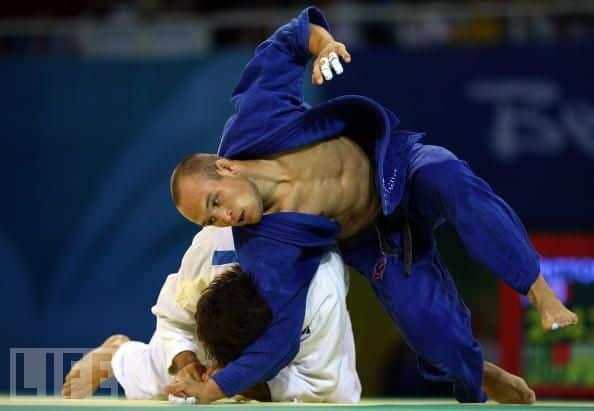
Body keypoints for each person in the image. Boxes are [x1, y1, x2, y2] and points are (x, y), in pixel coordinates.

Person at [169, 7, 576, 404]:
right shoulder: (265, 249)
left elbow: (290, 38)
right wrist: (218, 388)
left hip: (397, 168)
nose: (224, 218)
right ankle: (476, 372)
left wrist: (324, 44)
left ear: (226, 167)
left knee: (447, 176)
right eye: (210, 218)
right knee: (436, 337)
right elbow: (280, 338)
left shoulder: (256, 118)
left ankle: (538, 289)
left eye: (215, 202)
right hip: (379, 239)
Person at [61, 227, 361, 403]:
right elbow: (171, 317)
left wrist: (230, 383)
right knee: (169, 386)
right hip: (221, 318)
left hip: (306, 351)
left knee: (333, 400)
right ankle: (118, 354)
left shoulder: (320, 292)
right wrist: (189, 365)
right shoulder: (213, 246)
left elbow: (322, 382)